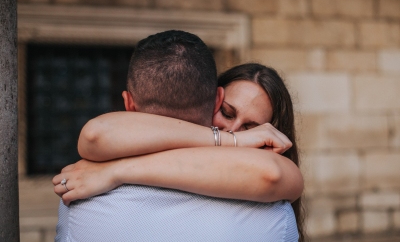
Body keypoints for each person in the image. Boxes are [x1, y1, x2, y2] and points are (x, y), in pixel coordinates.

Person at [53, 30, 303, 241]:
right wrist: (230, 141)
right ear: (215, 101)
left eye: (252, 129)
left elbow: (272, 173)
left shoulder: (83, 203)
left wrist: (115, 171)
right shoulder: (274, 216)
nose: (233, 130)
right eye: (227, 113)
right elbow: (97, 135)